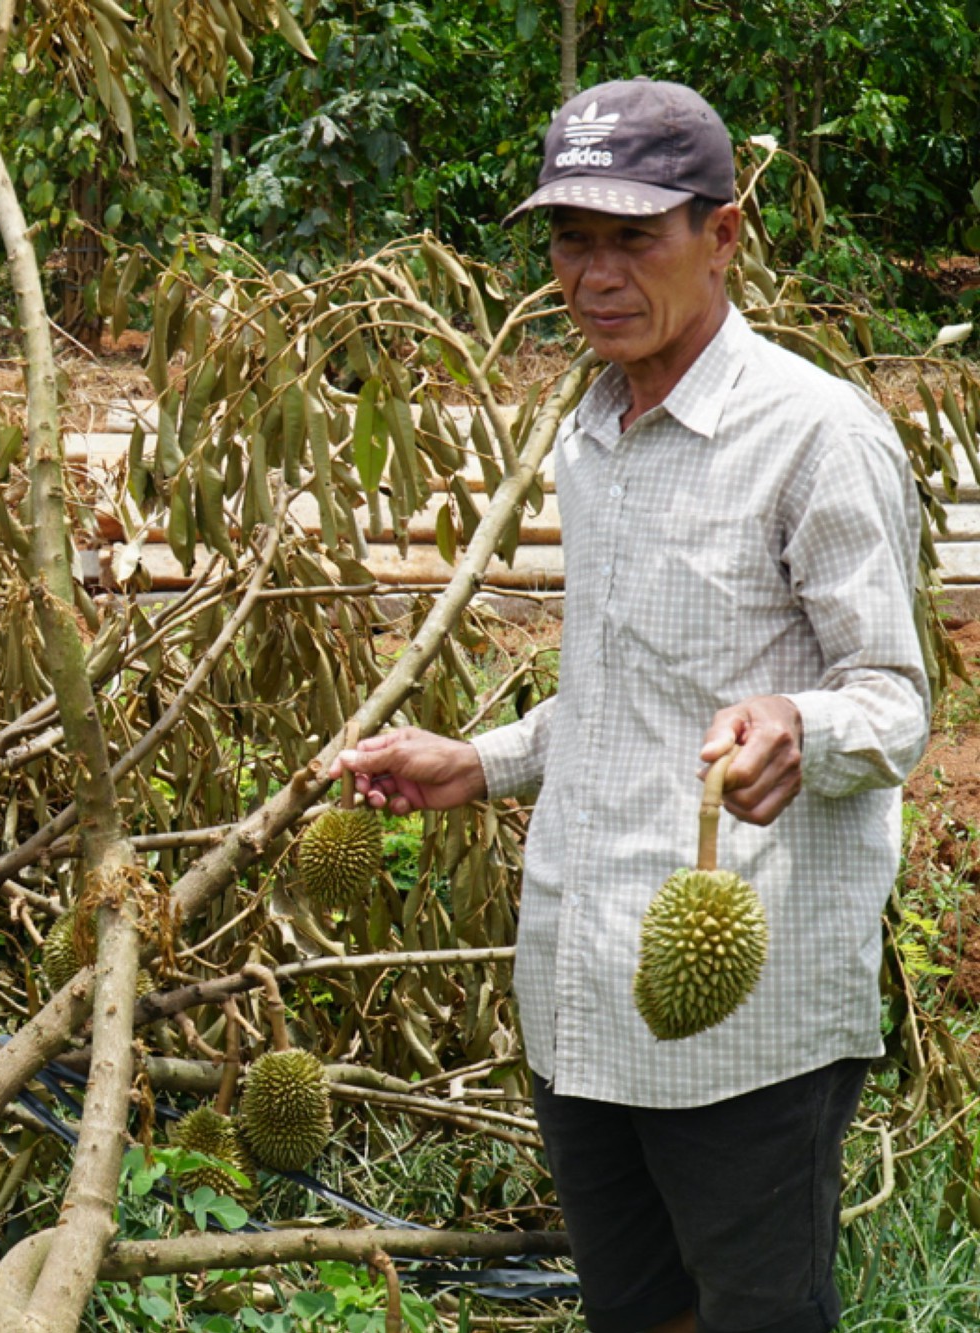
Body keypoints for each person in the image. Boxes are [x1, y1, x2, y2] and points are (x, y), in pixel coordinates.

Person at [334, 79, 929, 1333]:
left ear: (719, 236)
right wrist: (477, 762)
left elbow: (891, 700)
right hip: (582, 985)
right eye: (570, 241)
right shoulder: (591, 432)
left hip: (748, 1024)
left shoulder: (815, 434)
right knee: (633, 1313)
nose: (593, 276)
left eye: (631, 239)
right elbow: (617, 699)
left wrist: (798, 727)